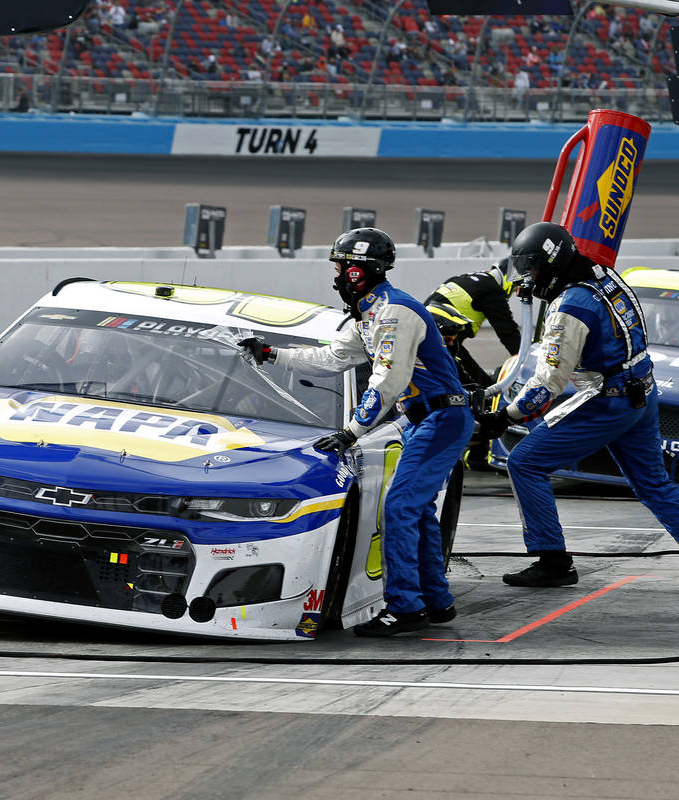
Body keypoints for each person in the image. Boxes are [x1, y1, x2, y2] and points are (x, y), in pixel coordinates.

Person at [240, 228, 473, 637]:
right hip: (429, 419)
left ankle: (406, 608)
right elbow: (331, 358)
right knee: (415, 511)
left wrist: (351, 433)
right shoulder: (371, 312)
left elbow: (387, 382)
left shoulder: (395, 313)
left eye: (340, 266)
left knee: (399, 508)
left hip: (441, 418)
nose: (335, 275)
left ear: (357, 272)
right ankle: (436, 601)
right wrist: (273, 354)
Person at [474, 223, 679, 587]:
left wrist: (505, 417)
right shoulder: (605, 275)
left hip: (609, 402)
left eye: (532, 268)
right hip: (640, 393)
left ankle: (552, 560)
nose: (528, 278)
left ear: (552, 264)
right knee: (655, 486)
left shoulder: (570, 308)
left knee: (524, 461)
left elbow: (548, 382)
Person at [424, 259, 520, 469]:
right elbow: (508, 331)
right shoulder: (492, 289)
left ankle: (473, 450)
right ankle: (476, 454)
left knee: (477, 386)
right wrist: (526, 358)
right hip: (442, 336)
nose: (511, 295)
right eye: (513, 289)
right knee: (481, 392)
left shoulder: (469, 279)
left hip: (434, 334)